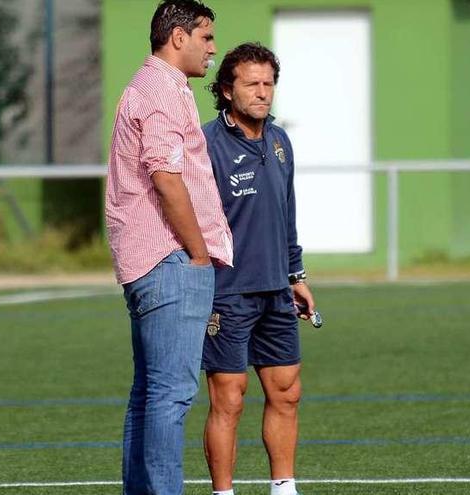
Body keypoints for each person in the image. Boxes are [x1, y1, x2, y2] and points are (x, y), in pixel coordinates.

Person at [104, 1, 233, 494]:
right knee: (170, 395)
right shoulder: (160, 89)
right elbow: (165, 176)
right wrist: (199, 254)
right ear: (178, 37)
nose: (213, 48)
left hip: (150, 260)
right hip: (169, 260)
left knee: (149, 395)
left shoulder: (154, 85)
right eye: (206, 36)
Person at [200, 43, 316, 495]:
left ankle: (283, 487)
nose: (263, 92)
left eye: (269, 83)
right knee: (229, 399)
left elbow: (287, 214)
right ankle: (223, 493)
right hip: (226, 292)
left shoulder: (280, 140)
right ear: (227, 90)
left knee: (287, 391)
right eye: (252, 83)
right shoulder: (206, 144)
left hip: (276, 289)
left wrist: (296, 275)